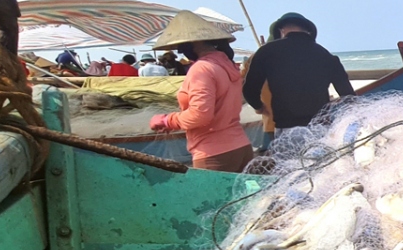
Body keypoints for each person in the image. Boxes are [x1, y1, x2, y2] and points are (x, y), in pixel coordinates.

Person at [148, 11, 254, 172]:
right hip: (241, 147)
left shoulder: (201, 69)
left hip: (214, 154)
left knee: (216, 198)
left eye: (180, 47)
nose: (180, 52)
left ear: (192, 44)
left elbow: (200, 115)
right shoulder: (227, 66)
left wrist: (166, 121)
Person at [243, 12, 353, 135]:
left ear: (281, 30)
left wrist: (260, 107)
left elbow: (249, 89)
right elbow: (348, 95)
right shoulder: (325, 55)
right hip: (320, 128)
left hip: (287, 128)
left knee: (290, 154)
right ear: (308, 31)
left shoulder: (267, 51)